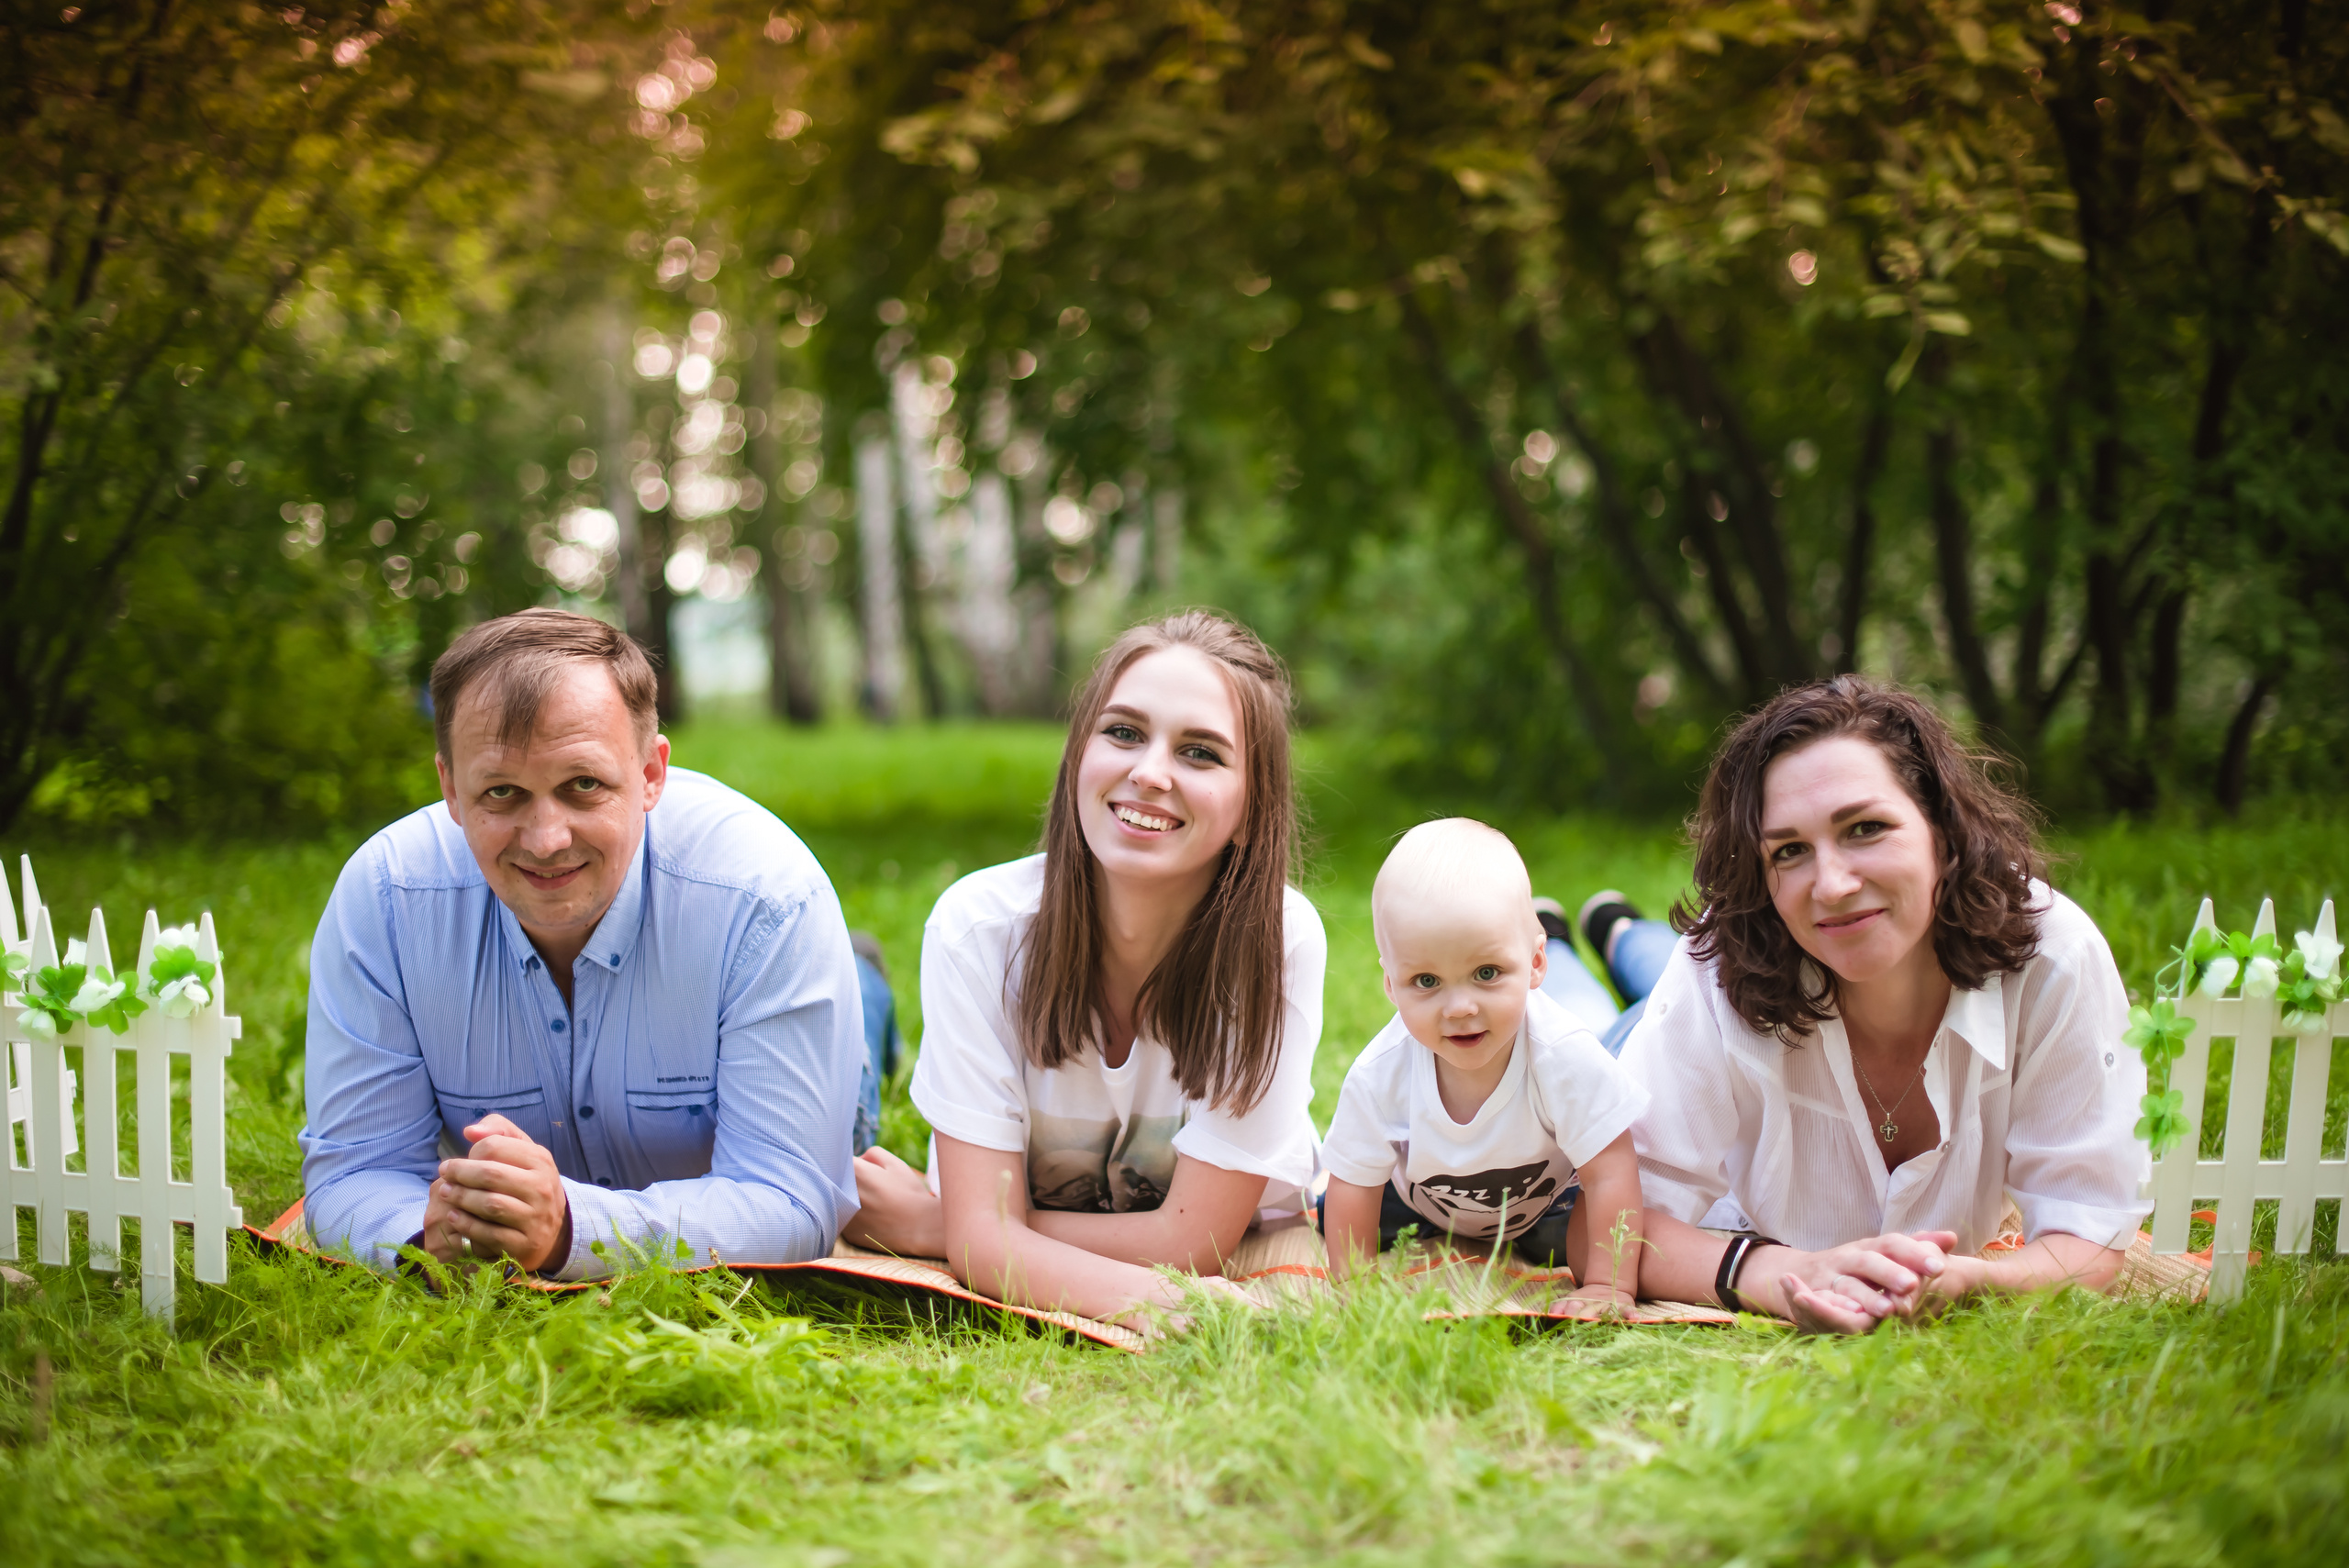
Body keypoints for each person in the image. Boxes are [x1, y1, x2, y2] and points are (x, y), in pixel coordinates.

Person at [1559, 677, 2149, 1333]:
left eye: (1865, 828)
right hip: (1653, 1029)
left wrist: (1968, 1282)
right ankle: (1564, 940)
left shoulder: (2053, 956)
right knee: (1572, 1013)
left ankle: (1618, 930)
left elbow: (2091, 1236)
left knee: (1645, 961)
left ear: (1943, 832)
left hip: (1691, 1006)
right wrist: (1780, 1275)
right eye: (1789, 851)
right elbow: (1596, 1230)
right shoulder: (1716, 968)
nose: (1833, 885)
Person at [299, 609, 871, 1279]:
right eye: (503, 792)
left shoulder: (768, 901)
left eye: (583, 785)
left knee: (858, 1027)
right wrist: (431, 1243)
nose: (545, 839)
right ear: (451, 788)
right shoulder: (387, 897)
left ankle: (862, 978)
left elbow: (790, 1201)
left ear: (653, 773)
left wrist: (571, 1230)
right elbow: (355, 1172)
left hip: (777, 989)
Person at [843, 611, 1324, 1331]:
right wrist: (1179, 1306)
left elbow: (1192, 1242)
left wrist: (950, 1228)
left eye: (1200, 752)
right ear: (1077, 758)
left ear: (1253, 808)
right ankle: (861, 978)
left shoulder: (1277, 943)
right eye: (1124, 732)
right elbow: (998, 1243)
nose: (1150, 772)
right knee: (842, 1072)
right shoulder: (978, 928)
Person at [1317, 819, 1647, 1313]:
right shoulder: (1381, 1073)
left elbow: (1611, 1169)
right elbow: (1353, 1182)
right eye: (1426, 981)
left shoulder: (1563, 1054)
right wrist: (1353, 1290)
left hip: (1547, 1203)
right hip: (1420, 1201)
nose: (1459, 1008)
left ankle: (1617, 935)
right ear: (1390, 985)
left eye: (1486, 974)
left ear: (1535, 965)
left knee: (1591, 1231)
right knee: (1336, 1209)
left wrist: (1608, 1285)